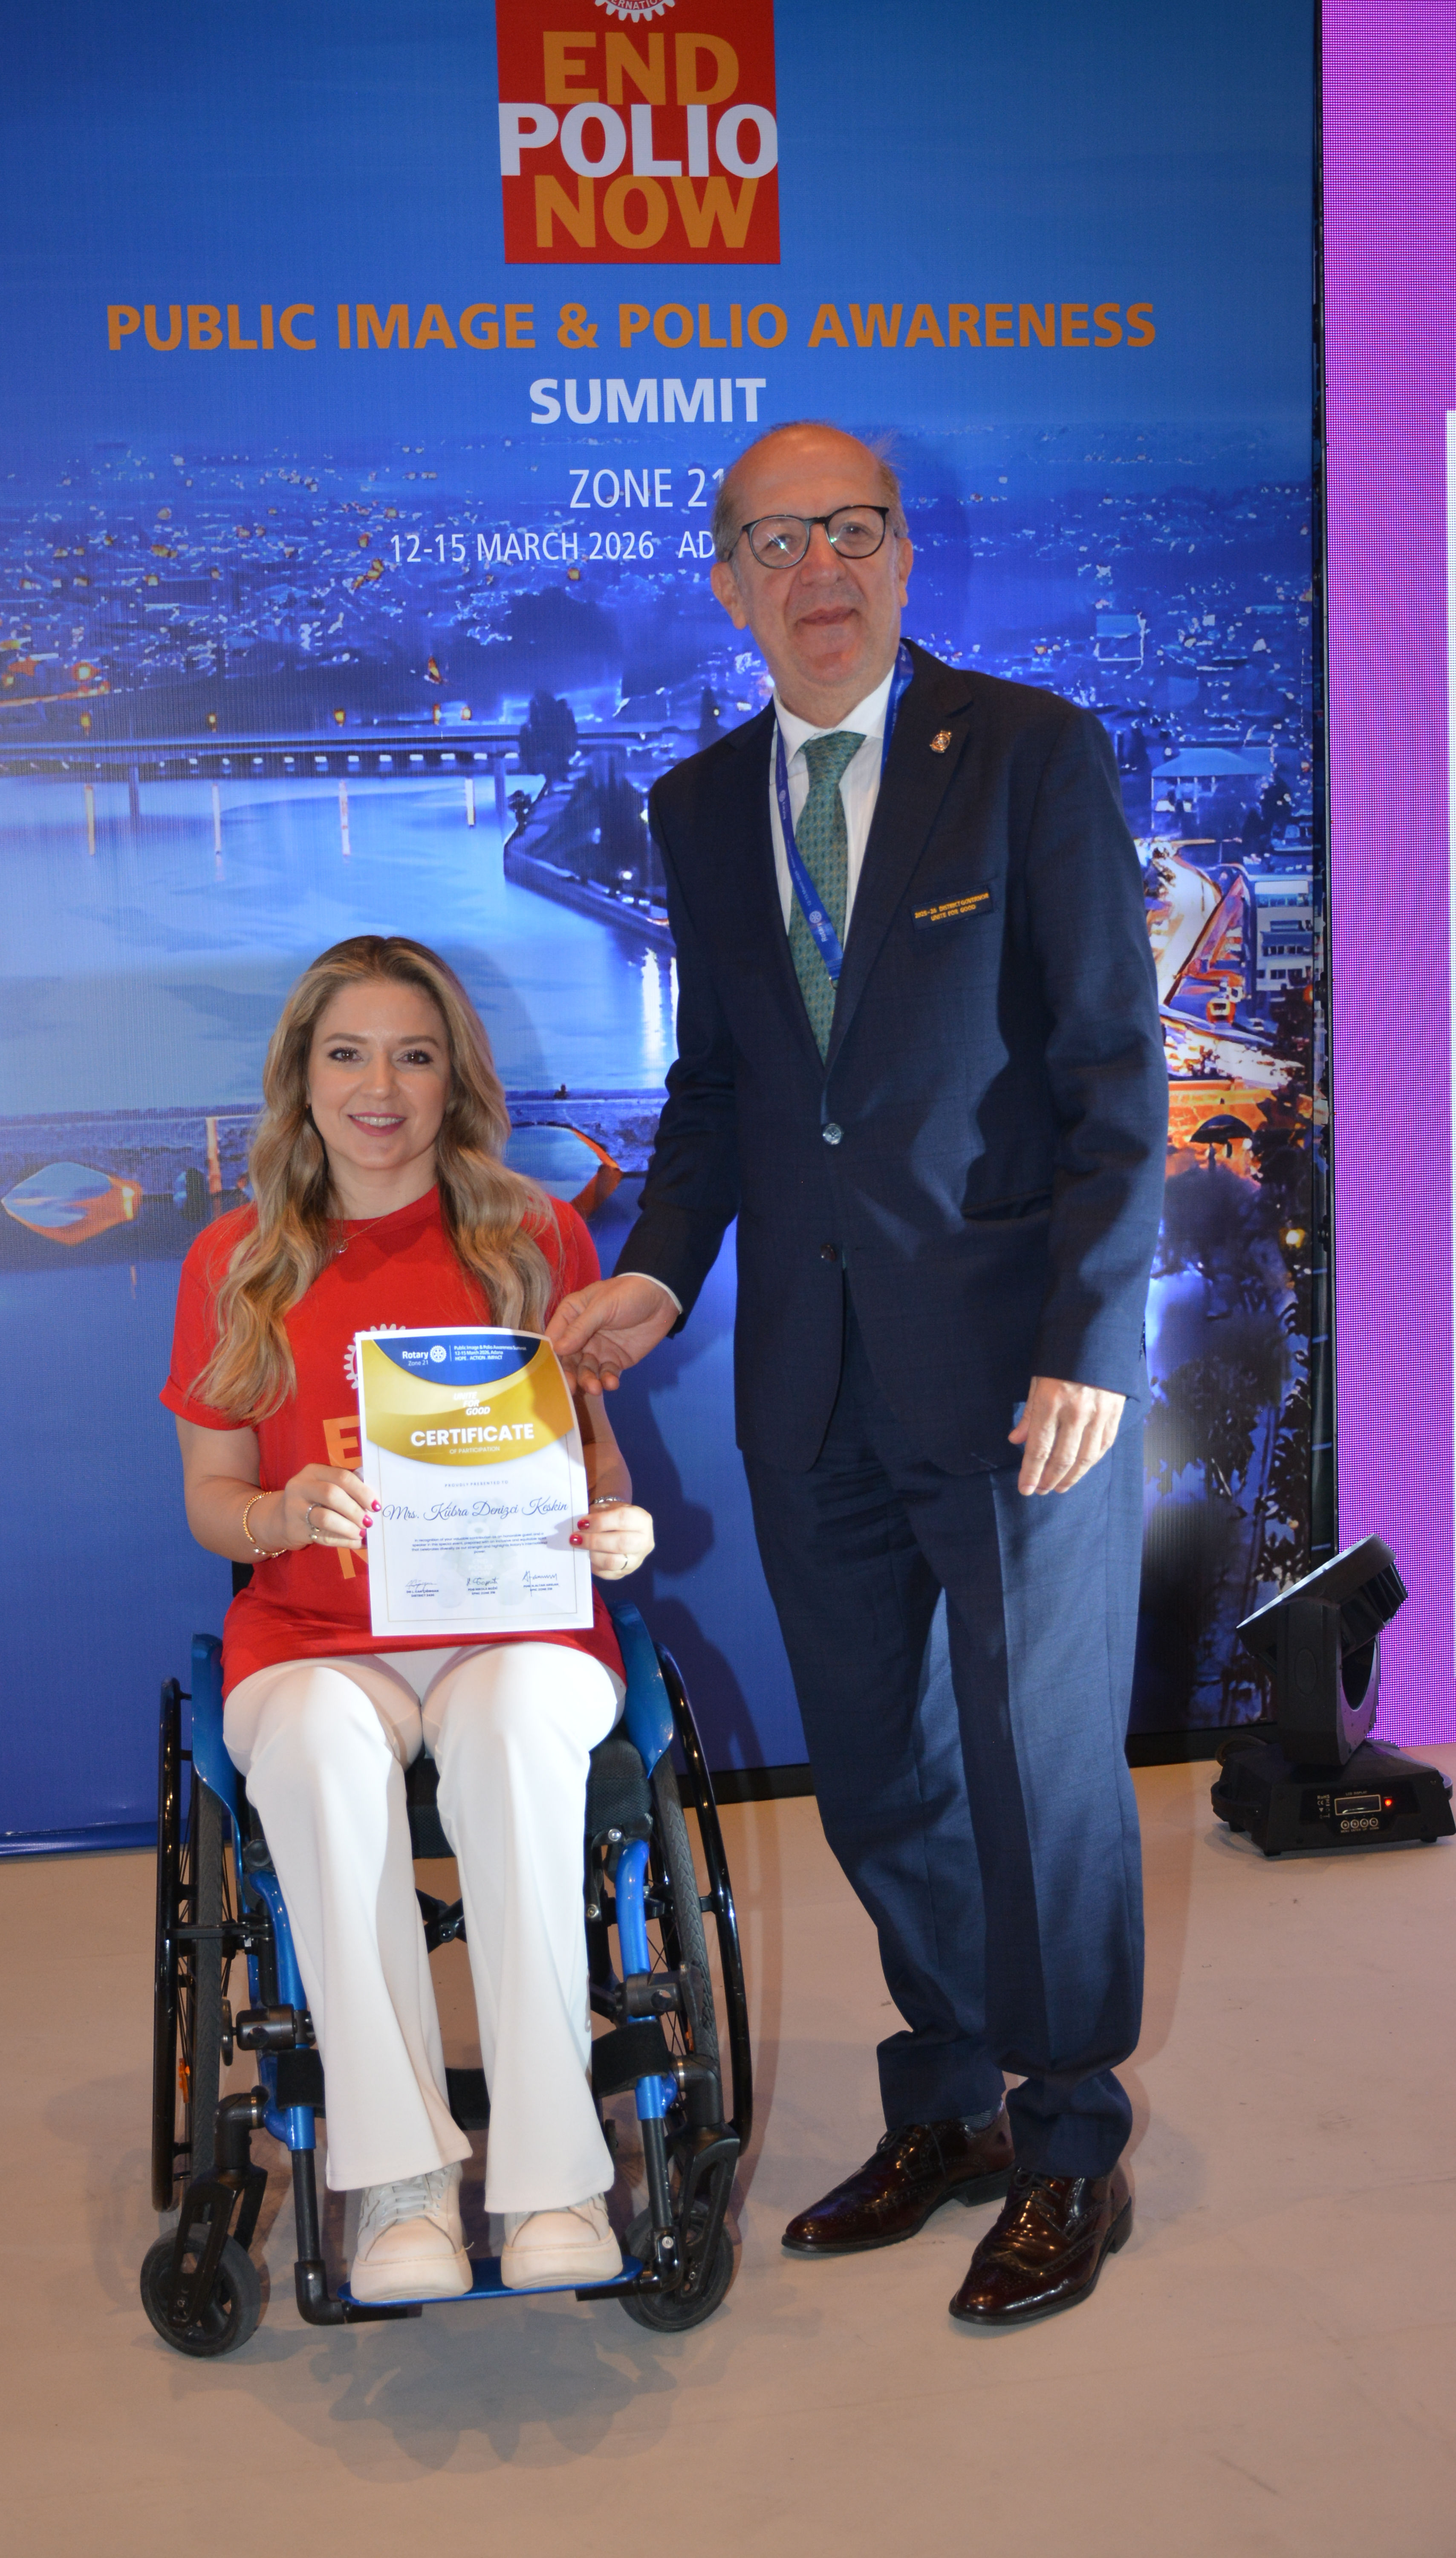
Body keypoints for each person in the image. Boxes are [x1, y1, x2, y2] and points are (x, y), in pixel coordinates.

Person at [547, 422, 1168, 2328]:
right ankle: (951, 2100)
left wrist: (1091, 1338)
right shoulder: (697, 803)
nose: (819, 570)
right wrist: (658, 1272)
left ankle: (1069, 2139)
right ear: (726, 584)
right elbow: (723, 1091)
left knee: (1037, 1769)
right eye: (776, 542)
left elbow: (1112, 1074)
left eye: (852, 531)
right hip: (807, 1380)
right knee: (882, 1772)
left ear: (902, 558)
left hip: (1015, 1381)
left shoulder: (1032, 754)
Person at [161, 935, 655, 2304]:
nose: (379, 1088)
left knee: (511, 1725)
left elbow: (597, 1457)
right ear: (301, 1078)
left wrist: (617, 1520)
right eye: (348, 1055)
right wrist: (280, 1512)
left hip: (519, 1630)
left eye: (414, 1056)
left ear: (455, 1080)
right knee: (317, 1747)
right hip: (316, 1637)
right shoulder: (234, 1260)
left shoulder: (534, 1237)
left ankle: (556, 2178)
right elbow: (210, 1499)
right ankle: (400, 2182)